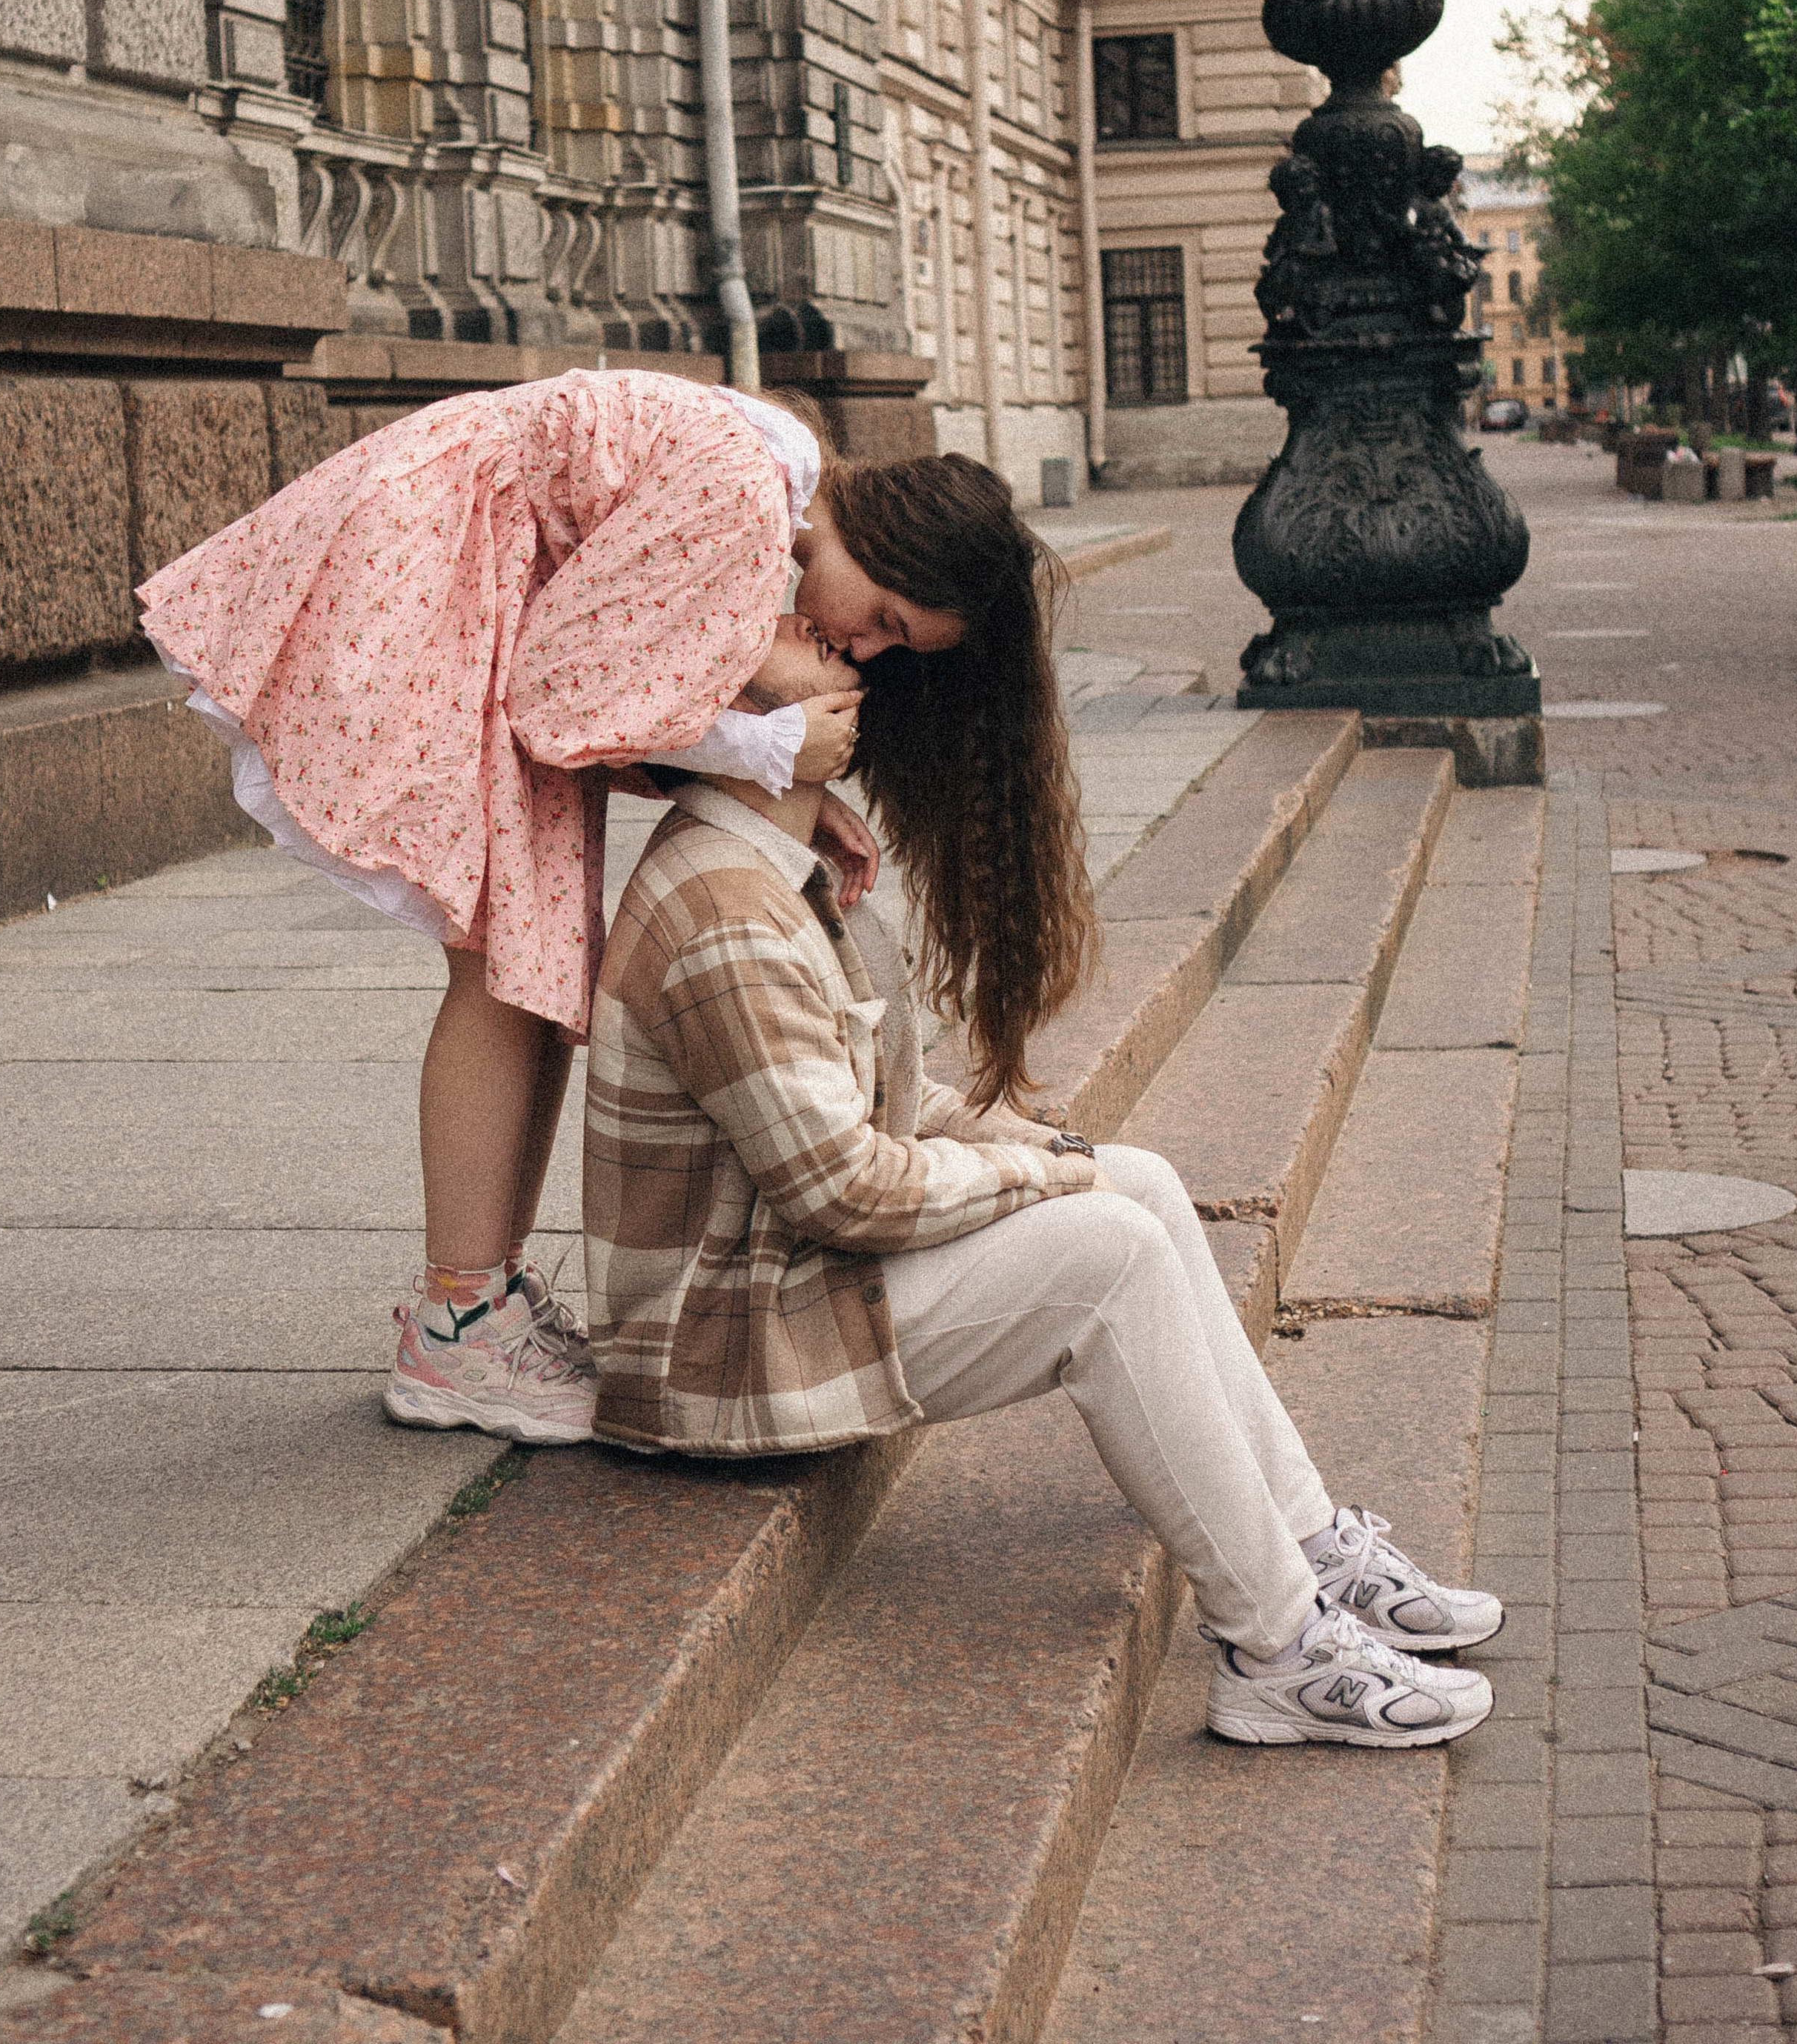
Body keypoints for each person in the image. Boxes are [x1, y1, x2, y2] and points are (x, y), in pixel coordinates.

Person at [584, 623, 1504, 1751]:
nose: (830, 643)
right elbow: (842, 1191)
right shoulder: (720, 907)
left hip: (786, 1277)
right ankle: (1276, 1649)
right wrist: (1032, 1174)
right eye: (785, 636)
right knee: (1105, 1256)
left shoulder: (771, 866)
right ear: (725, 712)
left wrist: (1029, 1145)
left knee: (1141, 1186)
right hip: (728, 1345)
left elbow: (876, 1099)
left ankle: (1305, 1541)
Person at [135, 369, 1087, 1442]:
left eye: (890, 650)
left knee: (532, 963)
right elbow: (562, 699)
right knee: (500, 960)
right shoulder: (743, 494)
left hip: (465, 574)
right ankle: (457, 1324)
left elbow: (613, 676)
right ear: (889, 547)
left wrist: (779, 780)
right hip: (435, 572)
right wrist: (768, 745)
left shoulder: (760, 485)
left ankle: (477, 1307)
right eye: (888, 623)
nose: (865, 650)